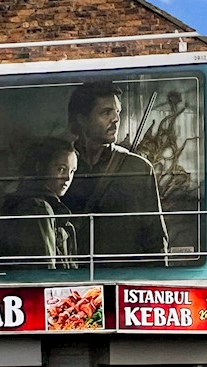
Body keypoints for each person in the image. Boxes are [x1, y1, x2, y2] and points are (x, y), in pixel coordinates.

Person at [61, 81, 168, 261]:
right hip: (73, 278)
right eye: (106, 112)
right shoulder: (60, 166)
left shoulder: (137, 168)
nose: (116, 119)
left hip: (123, 277)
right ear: (81, 118)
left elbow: (156, 239)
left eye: (117, 112)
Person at [0, 137, 80, 269]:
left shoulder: (44, 206)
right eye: (61, 169)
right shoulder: (37, 209)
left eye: (72, 171)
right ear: (41, 167)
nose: (68, 178)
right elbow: (44, 271)